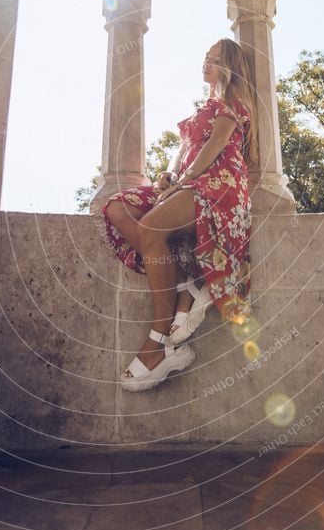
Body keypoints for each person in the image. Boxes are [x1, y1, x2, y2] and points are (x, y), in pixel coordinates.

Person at [101, 37, 259, 391]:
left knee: (153, 226)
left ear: (231, 66)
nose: (206, 63)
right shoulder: (204, 105)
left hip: (218, 187)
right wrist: (168, 176)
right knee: (117, 207)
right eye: (205, 57)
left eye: (215, 59)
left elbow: (215, 149)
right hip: (187, 184)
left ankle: (159, 339)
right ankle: (187, 279)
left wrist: (182, 181)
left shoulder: (234, 104)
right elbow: (184, 153)